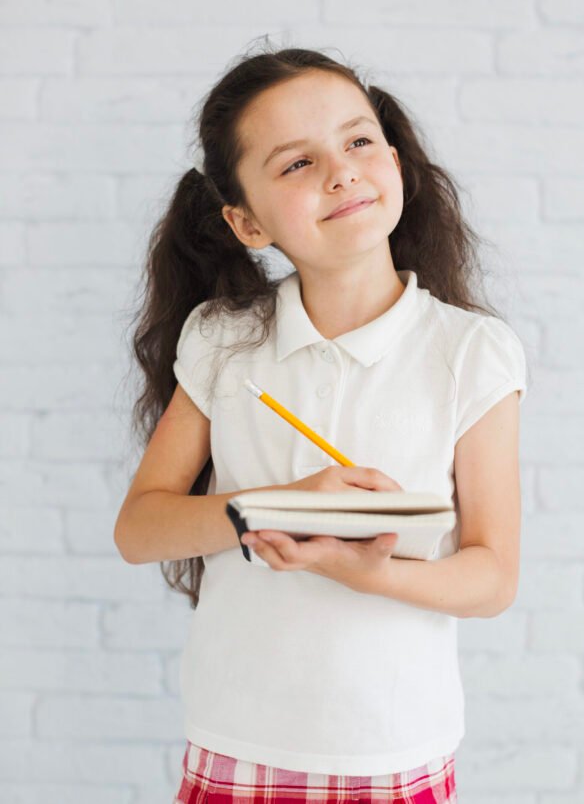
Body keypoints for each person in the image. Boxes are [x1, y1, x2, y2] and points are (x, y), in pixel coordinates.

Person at [114, 41, 528, 803]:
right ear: (246, 222)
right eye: (295, 164)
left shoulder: (473, 351)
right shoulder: (223, 338)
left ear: (395, 162)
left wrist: (364, 568)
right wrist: (276, 506)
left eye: (358, 140)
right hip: (237, 736)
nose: (340, 170)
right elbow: (140, 528)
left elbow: (493, 575)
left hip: (397, 743)